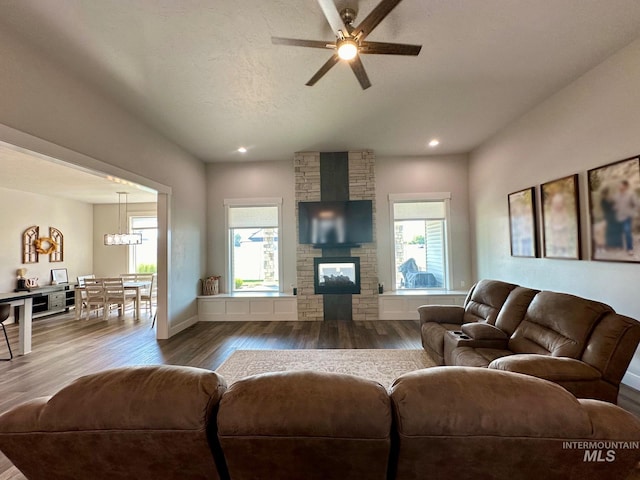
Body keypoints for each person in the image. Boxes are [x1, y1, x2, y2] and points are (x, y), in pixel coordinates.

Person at [614, 180, 639, 255]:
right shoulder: (616, 195)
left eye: (620, 185)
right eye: (619, 185)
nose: (619, 186)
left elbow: (637, 204)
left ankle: (630, 248)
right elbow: (616, 205)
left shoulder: (631, 194)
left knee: (627, 231)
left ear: (625, 186)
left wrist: (632, 212)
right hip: (619, 216)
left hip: (627, 216)